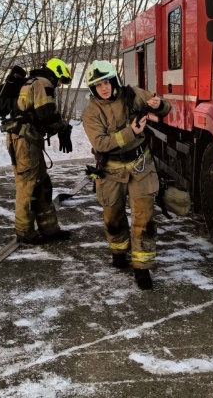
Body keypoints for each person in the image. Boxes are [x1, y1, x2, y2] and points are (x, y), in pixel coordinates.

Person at [82, 60, 171, 290]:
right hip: (111, 171)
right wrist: (130, 132)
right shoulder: (91, 112)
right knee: (113, 216)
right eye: (98, 85)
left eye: (106, 82)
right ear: (93, 89)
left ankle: (142, 268)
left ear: (115, 80)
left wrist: (159, 104)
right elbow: (101, 143)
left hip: (141, 166)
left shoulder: (133, 94)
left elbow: (165, 108)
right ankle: (119, 252)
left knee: (144, 218)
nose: (103, 88)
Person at [8, 58, 74, 245]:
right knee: (28, 186)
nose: (59, 85)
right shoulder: (43, 83)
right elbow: (46, 112)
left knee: (43, 184)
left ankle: (49, 229)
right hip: (24, 141)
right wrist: (62, 128)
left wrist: (60, 129)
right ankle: (24, 233)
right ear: (56, 72)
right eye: (60, 80)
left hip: (29, 140)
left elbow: (39, 114)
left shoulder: (34, 82)